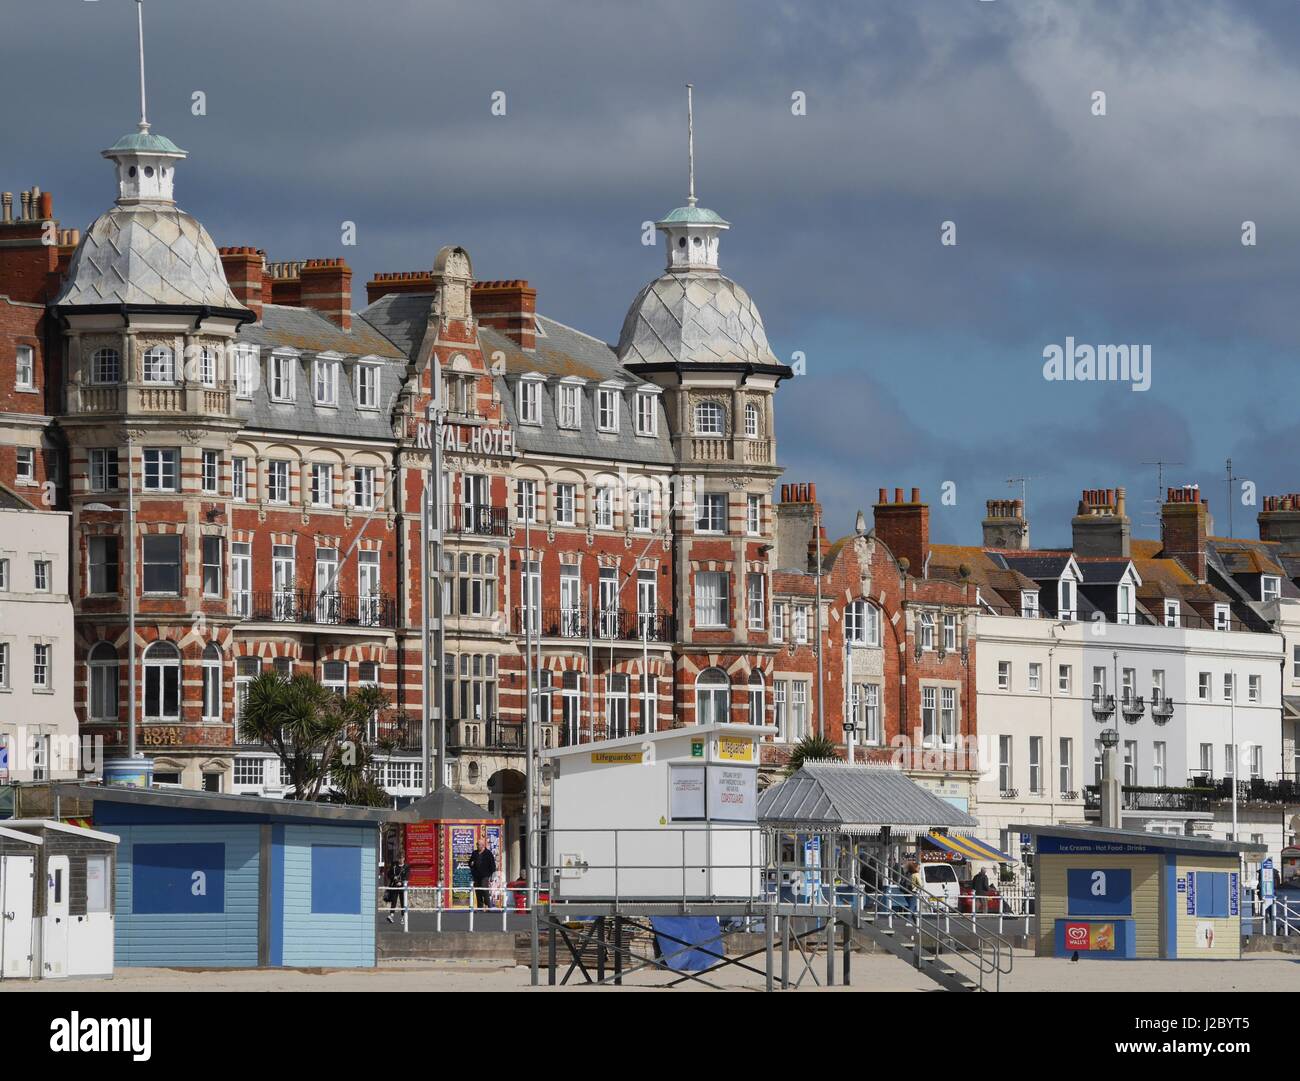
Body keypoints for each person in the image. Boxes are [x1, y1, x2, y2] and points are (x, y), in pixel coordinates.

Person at [473, 843, 497, 909]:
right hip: (476, 875)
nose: (477, 846)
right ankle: (480, 907)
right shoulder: (474, 853)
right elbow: (470, 862)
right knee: (478, 891)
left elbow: (492, 864)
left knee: (484, 888)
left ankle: (488, 905)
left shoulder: (488, 853)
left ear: (483, 845)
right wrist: (471, 864)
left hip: (485, 875)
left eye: (478, 844)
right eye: (477, 844)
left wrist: (493, 875)